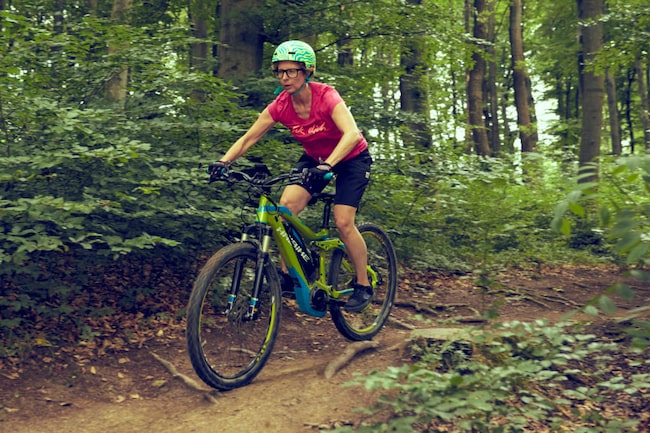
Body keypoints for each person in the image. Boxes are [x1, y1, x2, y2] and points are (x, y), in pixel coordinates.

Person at [208, 40, 373, 313]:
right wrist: (223, 161)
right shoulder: (281, 105)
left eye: (291, 71)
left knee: (343, 222)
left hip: (351, 158)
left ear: (307, 71)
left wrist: (329, 165)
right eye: (280, 72)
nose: (284, 77)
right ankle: (290, 275)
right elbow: (250, 137)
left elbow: (352, 134)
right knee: (285, 209)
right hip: (317, 160)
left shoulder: (326, 96)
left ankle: (363, 284)